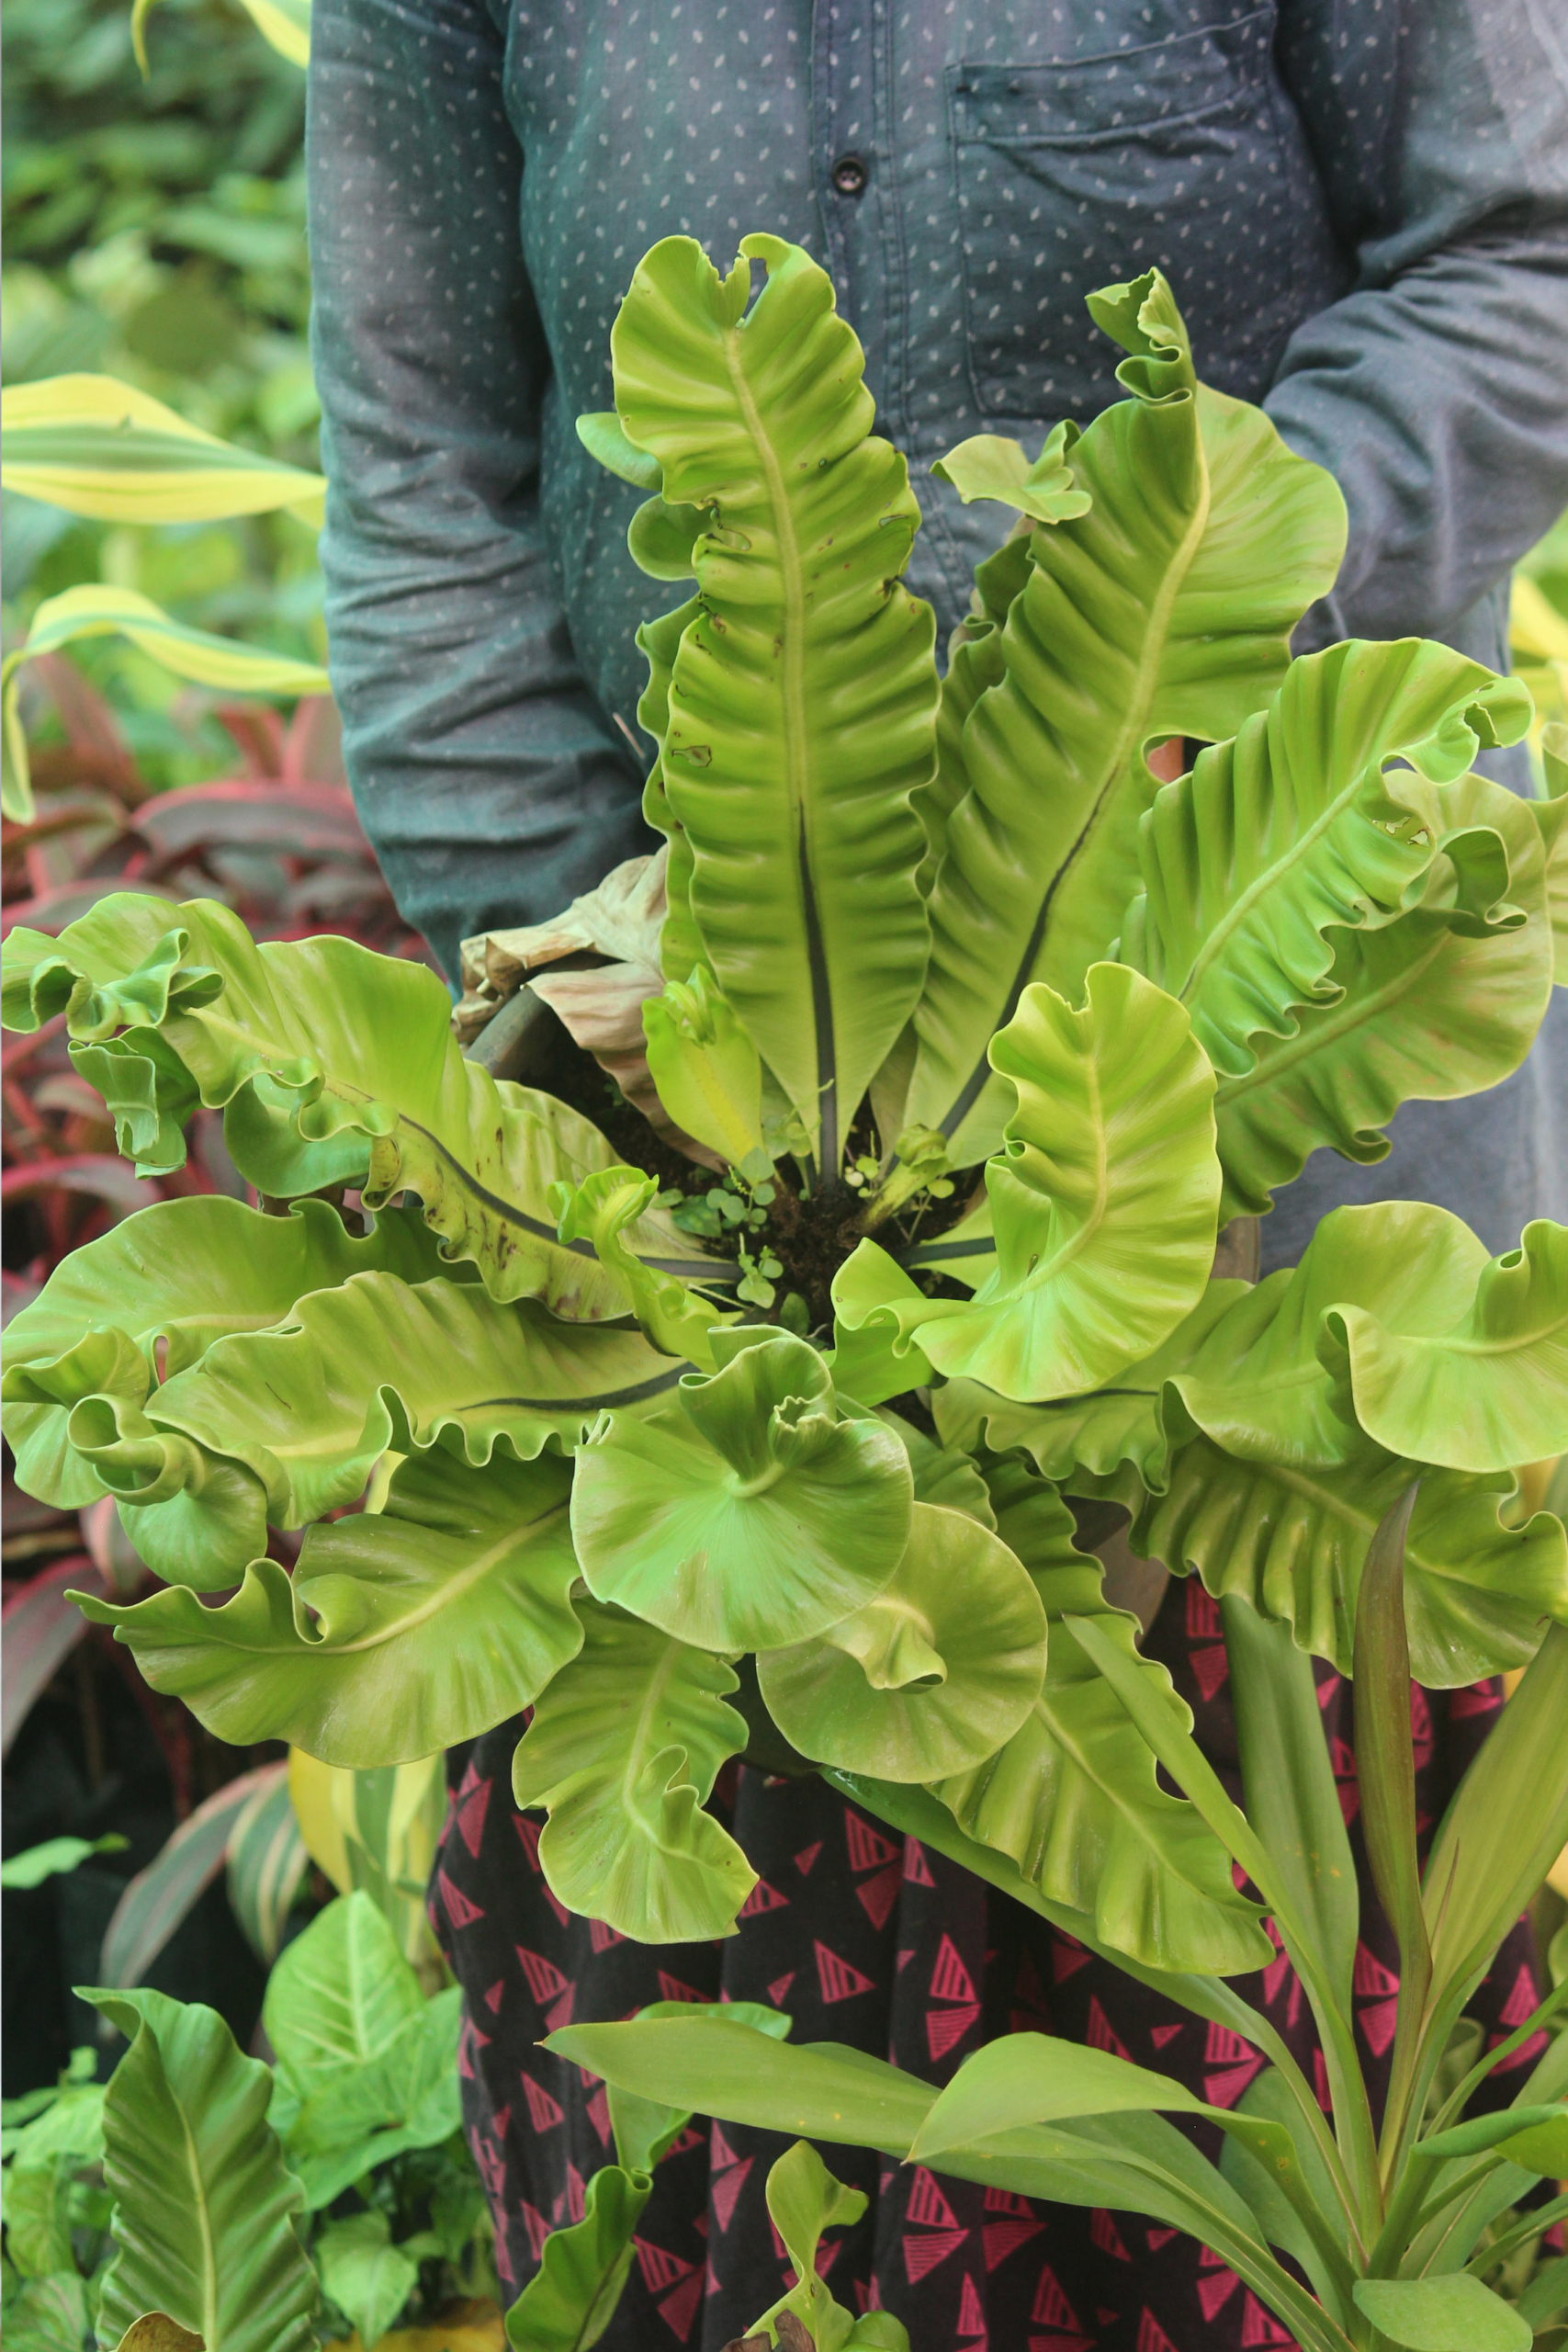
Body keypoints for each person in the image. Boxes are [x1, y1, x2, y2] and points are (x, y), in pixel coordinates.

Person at [306, 5, 1568, 2343]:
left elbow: (1515, 261)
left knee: (1300, 2143)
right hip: (694, 1194)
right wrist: (632, 1056)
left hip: (1270, 1132)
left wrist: (1120, 693)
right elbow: (420, 489)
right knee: (744, 2168)